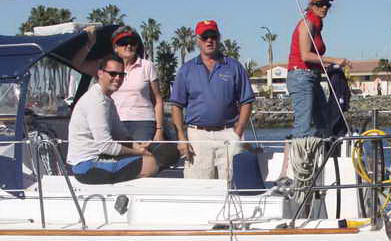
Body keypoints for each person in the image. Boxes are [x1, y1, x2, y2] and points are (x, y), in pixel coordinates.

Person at [168, 20, 256, 180]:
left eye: (213, 36)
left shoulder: (234, 66)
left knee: (231, 184)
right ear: (197, 40)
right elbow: (176, 105)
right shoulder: (186, 69)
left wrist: (238, 131)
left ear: (219, 38)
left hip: (228, 134)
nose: (209, 40)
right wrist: (181, 136)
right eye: (205, 37)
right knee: (198, 188)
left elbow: (247, 101)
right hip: (197, 136)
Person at [67, 56, 158, 184]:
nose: (118, 78)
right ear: (100, 73)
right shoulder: (96, 101)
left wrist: (139, 148)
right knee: (150, 163)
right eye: (113, 74)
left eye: (121, 75)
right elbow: (106, 146)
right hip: (86, 166)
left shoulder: (108, 100)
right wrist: (137, 152)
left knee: (156, 156)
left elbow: (122, 135)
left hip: (99, 159)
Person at [286, 0, 349, 138]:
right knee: (303, 125)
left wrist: (330, 67)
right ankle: (294, 152)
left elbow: (314, 59)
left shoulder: (316, 25)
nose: (325, 7)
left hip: (312, 77)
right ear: (312, 5)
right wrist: (334, 60)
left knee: (323, 121)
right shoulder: (307, 24)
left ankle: (322, 150)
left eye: (327, 4)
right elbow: (306, 55)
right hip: (301, 77)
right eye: (321, 4)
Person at [108, 26, 165, 143]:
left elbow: (158, 100)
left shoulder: (147, 66)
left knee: (142, 154)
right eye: (123, 43)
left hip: (144, 122)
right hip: (115, 121)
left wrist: (159, 129)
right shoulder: (108, 69)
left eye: (132, 42)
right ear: (115, 48)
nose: (128, 46)